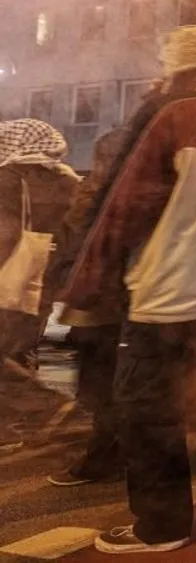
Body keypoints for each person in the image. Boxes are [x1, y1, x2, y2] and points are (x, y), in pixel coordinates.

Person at [61, 26, 196, 554]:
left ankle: (161, 526)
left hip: (170, 285)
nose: (157, 76)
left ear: (180, 68)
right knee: (195, 385)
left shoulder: (172, 116)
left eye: (164, 65)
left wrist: (86, 282)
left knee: (143, 403)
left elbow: (125, 205)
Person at [46, 127, 131, 486]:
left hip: (87, 303)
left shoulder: (95, 196)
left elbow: (73, 250)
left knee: (87, 380)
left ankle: (104, 457)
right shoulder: (138, 194)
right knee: (93, 377)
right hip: (112, 302)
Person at [0, 118, 79, 446]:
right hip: (56, 278)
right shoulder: (70, 179)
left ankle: (33, 406)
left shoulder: (8, 178)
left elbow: (5, 233)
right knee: (43, 343)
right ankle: (52, 413)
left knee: (7, 346)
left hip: (14, 278)